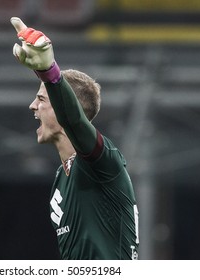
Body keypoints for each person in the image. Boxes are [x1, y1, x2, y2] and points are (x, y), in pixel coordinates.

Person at [11, 17, 139, 260]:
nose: (32, 106)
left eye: (41, 99)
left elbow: (75, 123)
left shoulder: (103, 163)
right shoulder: (62, 177)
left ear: (63, 108)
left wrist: (50, 73)